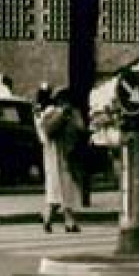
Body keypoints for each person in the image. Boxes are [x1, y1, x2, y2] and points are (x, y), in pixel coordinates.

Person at [35, 87, 87, 233]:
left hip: (67, 158)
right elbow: (48, 131)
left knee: (64, 192)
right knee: (59, 192)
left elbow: (80, 130)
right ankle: (66, 221)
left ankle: (50, 218)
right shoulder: (50, 113)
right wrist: (62, 116)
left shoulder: (71, 114)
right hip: (55, 158)